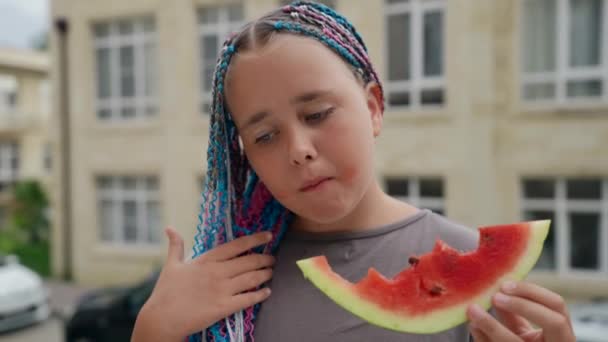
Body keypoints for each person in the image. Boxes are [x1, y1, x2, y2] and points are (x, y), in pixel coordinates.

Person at [131, 2, 576, 341]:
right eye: (265, 137)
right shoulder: (230, 283)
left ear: (373, 107)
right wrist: (152, 331)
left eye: (318, 113)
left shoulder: (472, 268)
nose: (299, 151)